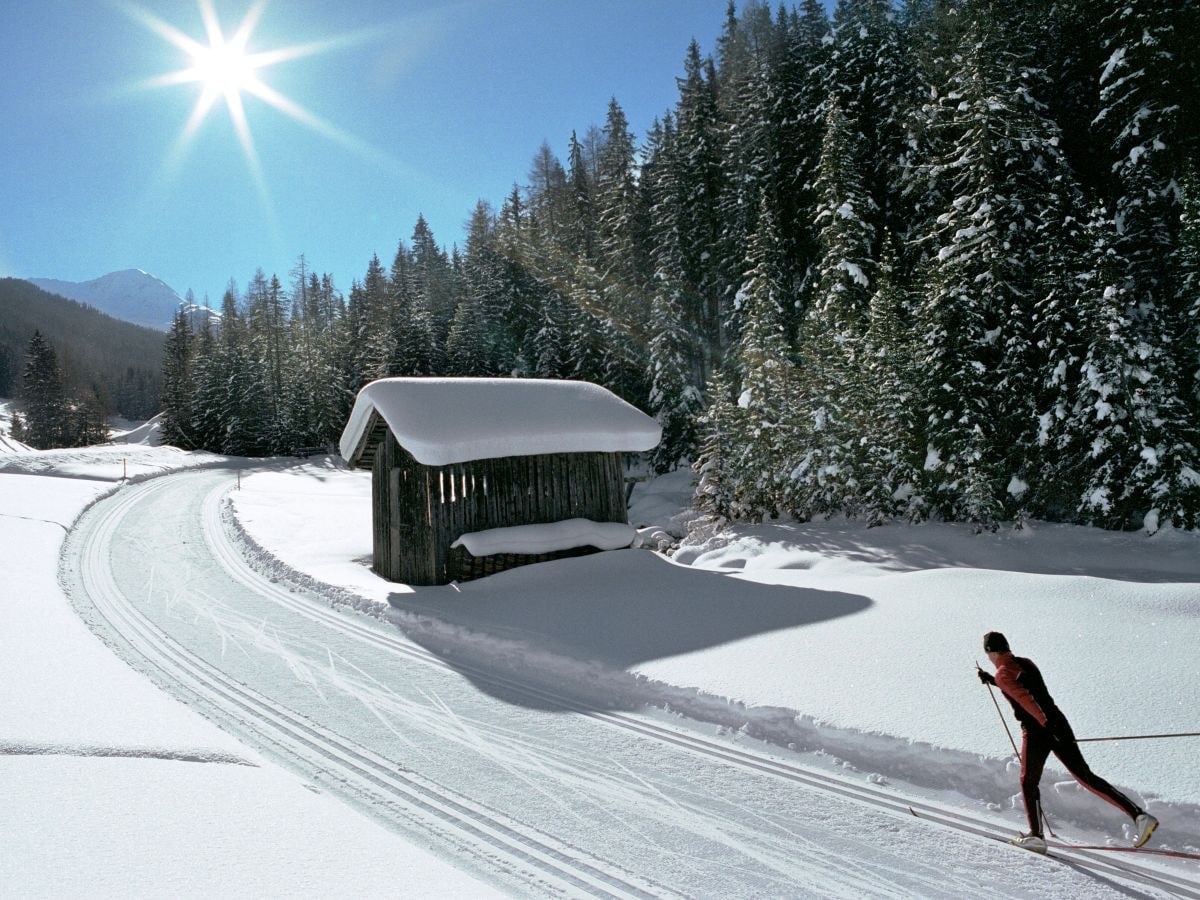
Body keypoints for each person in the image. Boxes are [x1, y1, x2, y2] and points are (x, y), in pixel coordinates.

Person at [976, 631, 1157, 854]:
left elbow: (1027, 700)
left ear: (990, 652)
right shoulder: (1025, 663)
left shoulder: (1004, 674)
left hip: (1038, 730)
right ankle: (1139, 816)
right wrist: (993, 681)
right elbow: (1026, 688)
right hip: (1058, 722)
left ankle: (1036, 836)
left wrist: (1044, 723)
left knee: (1028, 781)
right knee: (1085, 775)